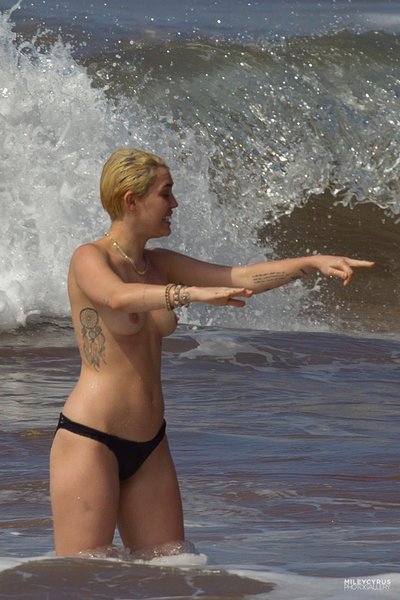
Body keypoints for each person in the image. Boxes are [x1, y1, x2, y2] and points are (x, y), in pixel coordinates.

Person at [49, 147, 374, 557]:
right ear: (131, 200)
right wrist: (190, 293)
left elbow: (241, 277)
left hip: (150, 445)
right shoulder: (90, 257)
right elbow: (117, 297)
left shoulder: (159, 264)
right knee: (85, 577)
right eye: (165, 194)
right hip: (91, 440)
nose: (174, 204)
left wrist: (310, 263)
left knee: (173, 570)